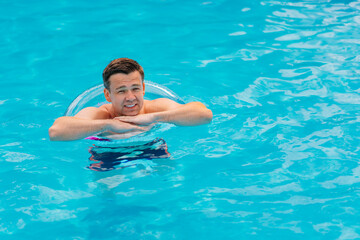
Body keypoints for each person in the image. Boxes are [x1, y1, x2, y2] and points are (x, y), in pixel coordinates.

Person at [49, 58, 213, 141]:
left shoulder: (155, 109)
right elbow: (56, 132)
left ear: (143, 89)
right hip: (108, 153)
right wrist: (108, 125)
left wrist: (155, 117)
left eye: (135, 88)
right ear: (108, 95)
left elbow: (204, 115)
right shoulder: (102, 115)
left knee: (167, 178)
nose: (130, 98)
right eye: (121, 91)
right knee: (108, 194)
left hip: (151, 145)